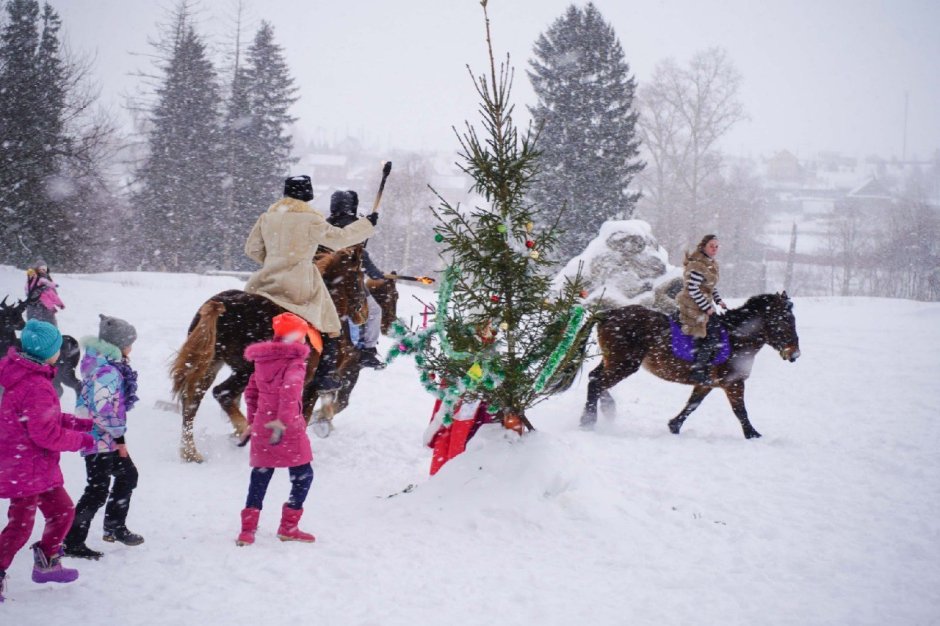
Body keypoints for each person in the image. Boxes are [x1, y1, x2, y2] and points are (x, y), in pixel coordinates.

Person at [244, 175, 378, 391]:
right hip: (299, 282)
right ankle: (325, 375)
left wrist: (275, 261)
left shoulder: (267, 217)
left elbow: (252, 250)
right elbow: (339, 238)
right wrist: (366, 224)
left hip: (264, 281)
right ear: (308, 194)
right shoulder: (310, 219)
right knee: (331, 323)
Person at [0, 320, 95, 601]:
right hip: (24, 466)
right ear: (49, 353)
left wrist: (79, 424)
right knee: (20, 527)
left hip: (35, 466)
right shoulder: (36, 385)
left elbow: (44, 419)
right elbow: (47, 434)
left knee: (63, 511)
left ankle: (47, 562)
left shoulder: (29, 375)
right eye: (57, 349)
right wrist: (83, 440)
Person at [63, 314, 142, 559]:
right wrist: (119, 437)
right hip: (97, 440)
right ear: (119, 345)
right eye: (130, 343)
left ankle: (114, 526)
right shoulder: (107, 371)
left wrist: (118, 439)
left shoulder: (103, 365)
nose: (132, 347)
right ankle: (72, 541)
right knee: (96, 490)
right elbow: (103, 410)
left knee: (127, 476)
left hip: (103, 438)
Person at [236, 312, 317, 546]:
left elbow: (250, 392)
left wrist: (254, 420)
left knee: (260, 475)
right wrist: (284, 421)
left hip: (263, 424)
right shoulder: (295, 362)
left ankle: (247, 531)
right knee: (303, 475)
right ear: (297, 337)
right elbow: (290, 391)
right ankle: (288, 526)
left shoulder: (262, 360)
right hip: (286, 426)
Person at [326, 189, 386, 369]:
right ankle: (367, 350)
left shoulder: (325, 225)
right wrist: (376, 274)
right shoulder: (354, 227)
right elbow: (361, 257)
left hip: (323, 282)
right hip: (349, 283)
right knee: (374, 312)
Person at [676, 234, 728, 385]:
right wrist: (707, 308)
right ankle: (698, 371)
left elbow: (709, 287)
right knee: (711, 334)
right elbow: (693, 288)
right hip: (692, 304)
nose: (714, 249)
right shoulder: (699, 265)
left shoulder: (711, 263)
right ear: (703, 246)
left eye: (717, 246)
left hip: (704, 303)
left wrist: (718, 301)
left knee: (719, 328)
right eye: (711, 245)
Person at [25, 261, 65, 327]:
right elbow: (28, 291)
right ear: (36, 269)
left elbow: (54, 295)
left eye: (44, 268)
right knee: (36, 328)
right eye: (40, 268)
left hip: (46, 309)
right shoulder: (32, 280)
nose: (42, 270)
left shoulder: (47, 280)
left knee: (49, 328)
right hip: (36, 308)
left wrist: (59, 304)